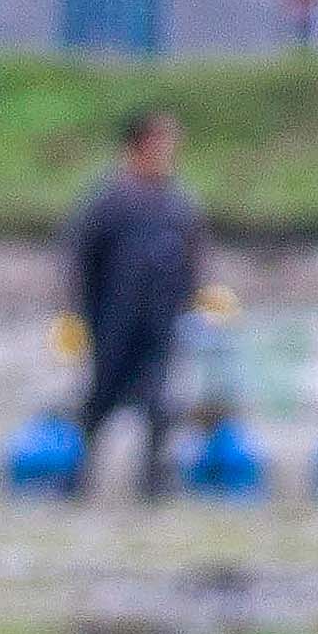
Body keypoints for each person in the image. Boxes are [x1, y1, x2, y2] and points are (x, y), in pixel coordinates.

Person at [60, 107, 206, 502]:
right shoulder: (107, 201)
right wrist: (74, 315)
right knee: (99, 405)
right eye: (161, 141)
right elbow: (77, 261)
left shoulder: (178, 203)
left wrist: (196, 304)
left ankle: (152, 489)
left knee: (160, 407)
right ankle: (77, 482)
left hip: (160, 323)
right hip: (111, 323)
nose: (170, 150)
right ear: (137, 146)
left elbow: (193, 261)